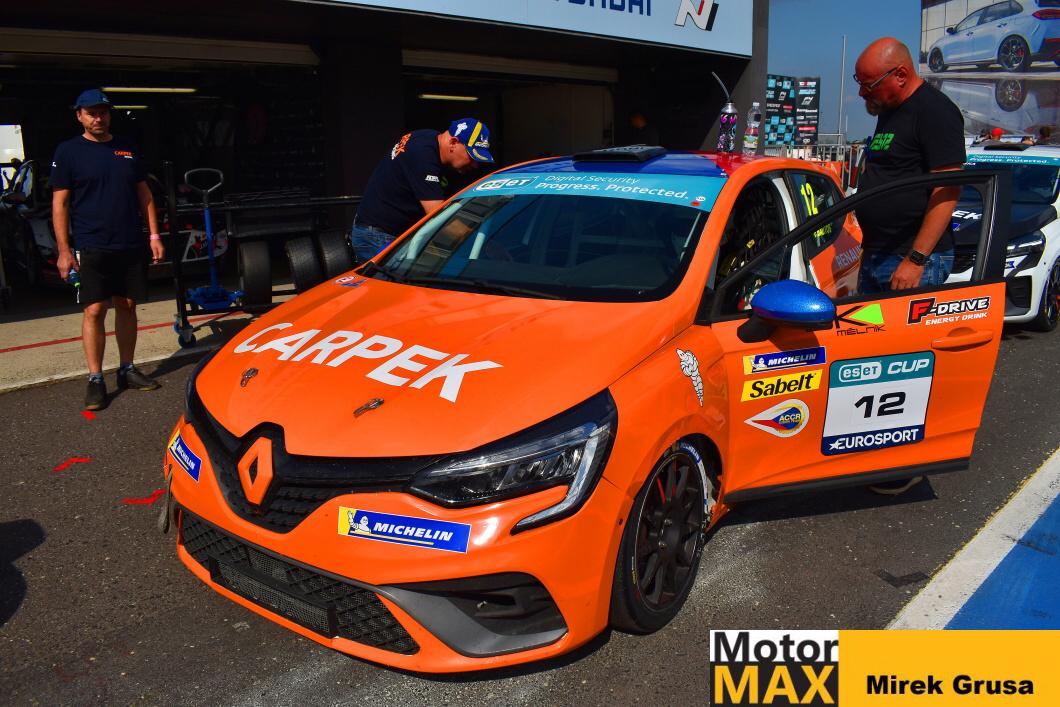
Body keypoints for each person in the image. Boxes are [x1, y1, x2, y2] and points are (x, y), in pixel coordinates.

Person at [853, 38, 965, 495]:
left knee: (905, 366)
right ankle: (876, 448)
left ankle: (901, 464)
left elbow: (947, 191)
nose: (862, 93)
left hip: (912, 261)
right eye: (859, 83)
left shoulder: (934, 112)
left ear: (900, 74)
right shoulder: (889, 111)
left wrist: (916, 260)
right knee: (872, 362)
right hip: (879, 255)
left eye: (868, 84)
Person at [51, 88, 164, 411]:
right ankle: (96, 378)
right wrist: (64, 250)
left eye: (102, 112)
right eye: (91, 113)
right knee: (94, 310)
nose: (98, 118)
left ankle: (127, 369)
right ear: (79, 116)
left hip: (129, 241)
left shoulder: (126, 147)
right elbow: (60, 204)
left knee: (127, 305)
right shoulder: (68, 151)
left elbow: (144, 195)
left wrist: (154, 235)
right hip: (91, 243)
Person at [349, 118, 494, 262]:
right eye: (472, 156)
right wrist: (483, 242)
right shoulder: (423, 157)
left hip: (392, 233)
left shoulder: (428, 137)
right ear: (453, 143)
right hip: (377, 236)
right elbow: (439, 219)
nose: (475, 165)